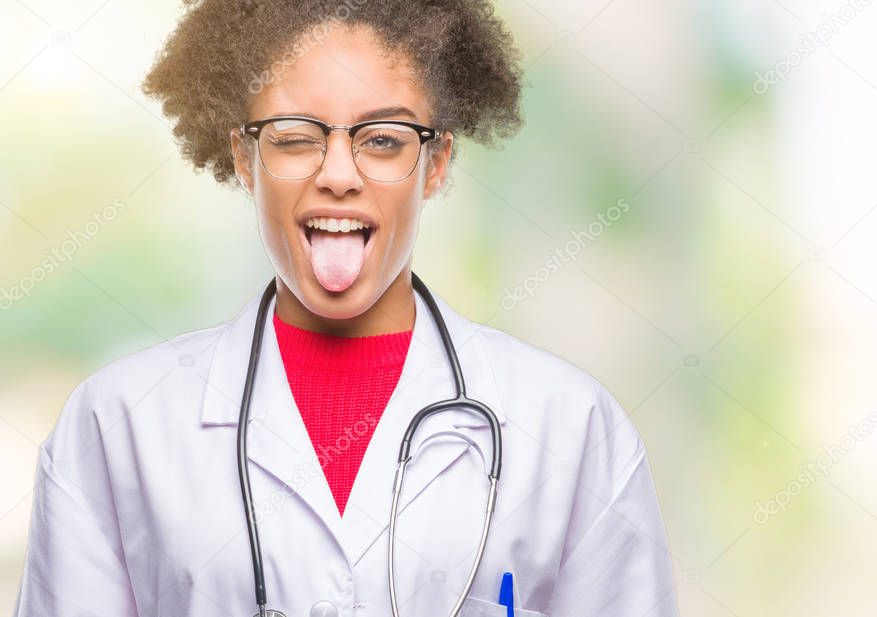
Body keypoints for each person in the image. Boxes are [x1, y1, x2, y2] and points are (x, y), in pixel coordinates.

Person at [13, 1, 679, 616]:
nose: (338, 173)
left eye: (383, 138)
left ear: (437, 161)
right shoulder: (117, 427)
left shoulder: (569, 428)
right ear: (244, 156)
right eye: (295, 136)